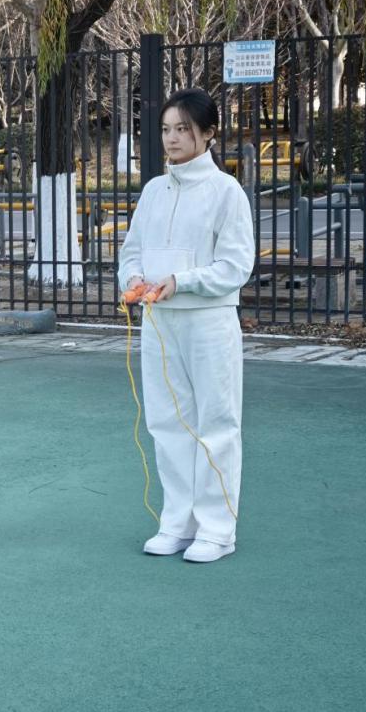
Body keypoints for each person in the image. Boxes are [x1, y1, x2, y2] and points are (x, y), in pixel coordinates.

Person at [118, 88, 255, 563]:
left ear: (208, 133)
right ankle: (177, 522)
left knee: (216, 422)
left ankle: (217, 530)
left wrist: (182, 282)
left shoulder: (226, 192)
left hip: (208, 323)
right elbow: (132, 250)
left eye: (183, 129)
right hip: (159, 322)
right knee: (167, 422)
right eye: (166, 129)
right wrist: (133, 279)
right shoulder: (154, 191)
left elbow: (235, 266)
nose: (172, 138)